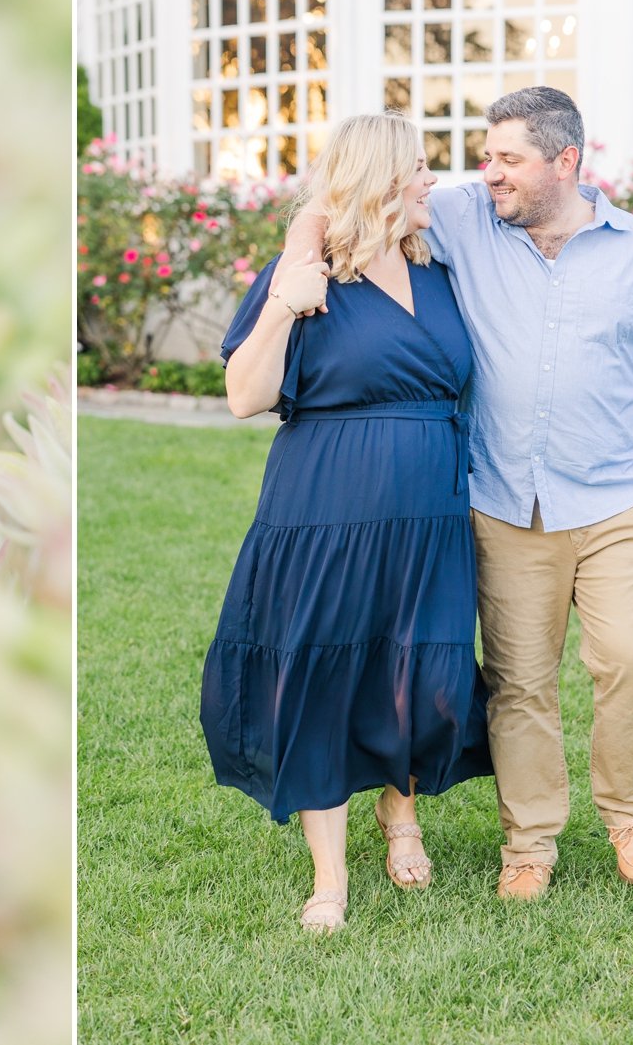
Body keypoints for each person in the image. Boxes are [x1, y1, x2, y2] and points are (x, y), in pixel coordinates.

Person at [273, 87, 633, 901]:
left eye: (508, 158)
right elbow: (346, 197)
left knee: (629, 659)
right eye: (487, 157)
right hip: (507, 501)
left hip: (620, 499)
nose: (489, 172)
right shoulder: (469, 217)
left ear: (566, 162)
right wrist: (300, 254)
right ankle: (529, 843)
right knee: (519, 680)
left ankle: (631, 818)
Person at [200, 112, 493, 935]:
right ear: (379, 179)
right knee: (322, 671)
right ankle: (329, 873)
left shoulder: (438, 271)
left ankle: (401, 815)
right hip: (327, 508)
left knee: (414, 665)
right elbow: (244, 395)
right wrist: (285, 307)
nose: (432, 181)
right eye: (419, 168)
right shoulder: (307, 273)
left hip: (430, 508)